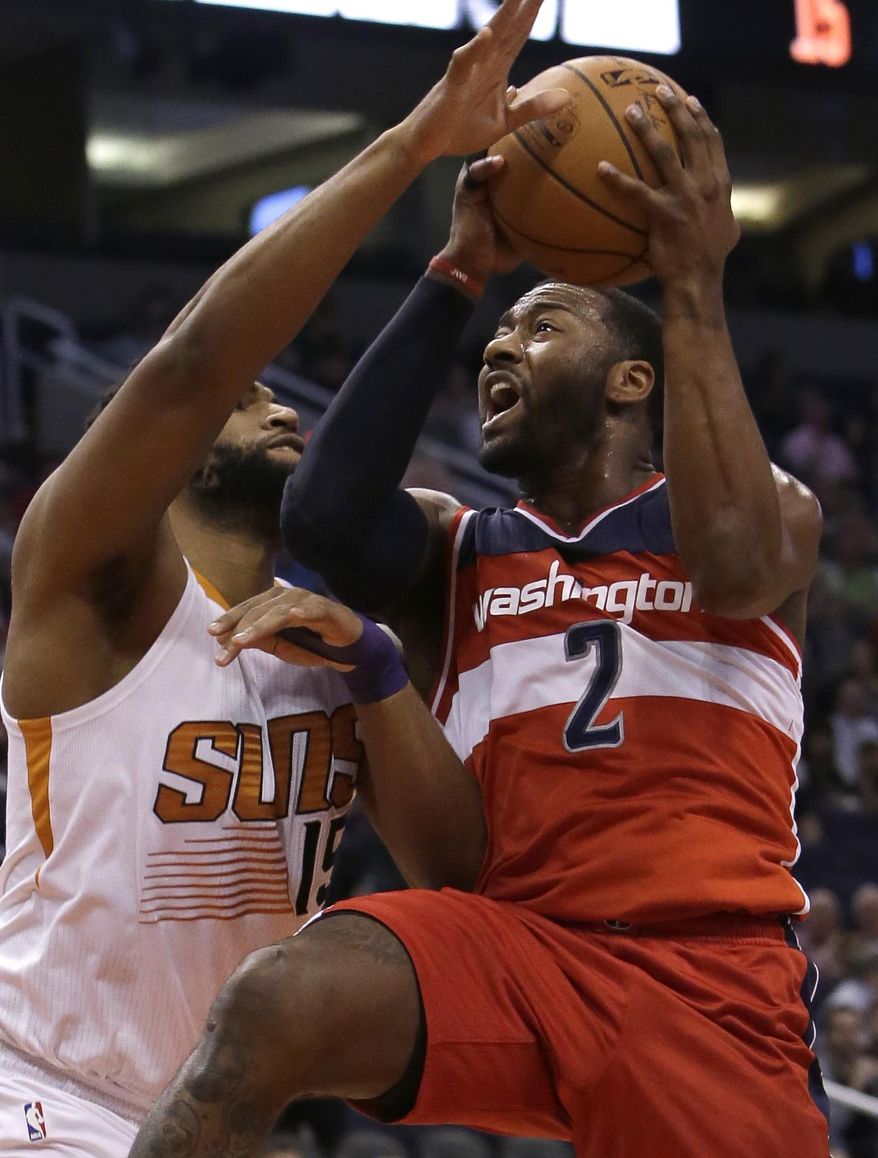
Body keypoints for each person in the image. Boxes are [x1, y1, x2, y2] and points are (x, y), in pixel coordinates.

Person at [130, 86, 830, 1157]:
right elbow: (322, 519)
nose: (498, 350)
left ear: (628, 381)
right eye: (497, 333)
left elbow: (734, 570)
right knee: (270, 1006)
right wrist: (457, 274)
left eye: (539, 327)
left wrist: (690, 277)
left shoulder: (750, 509)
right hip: (514, 948)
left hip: (705, 979)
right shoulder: (458, 549)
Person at [0, 2, 569, 1152]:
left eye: (278, 393)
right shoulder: (95, 580)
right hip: (41, 1096)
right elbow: (197, 362)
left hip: (216, 1120)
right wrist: (412, 147)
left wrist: (369, 667)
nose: (272, 398)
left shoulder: (332, 646)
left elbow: (460, 868)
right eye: (247, 396)